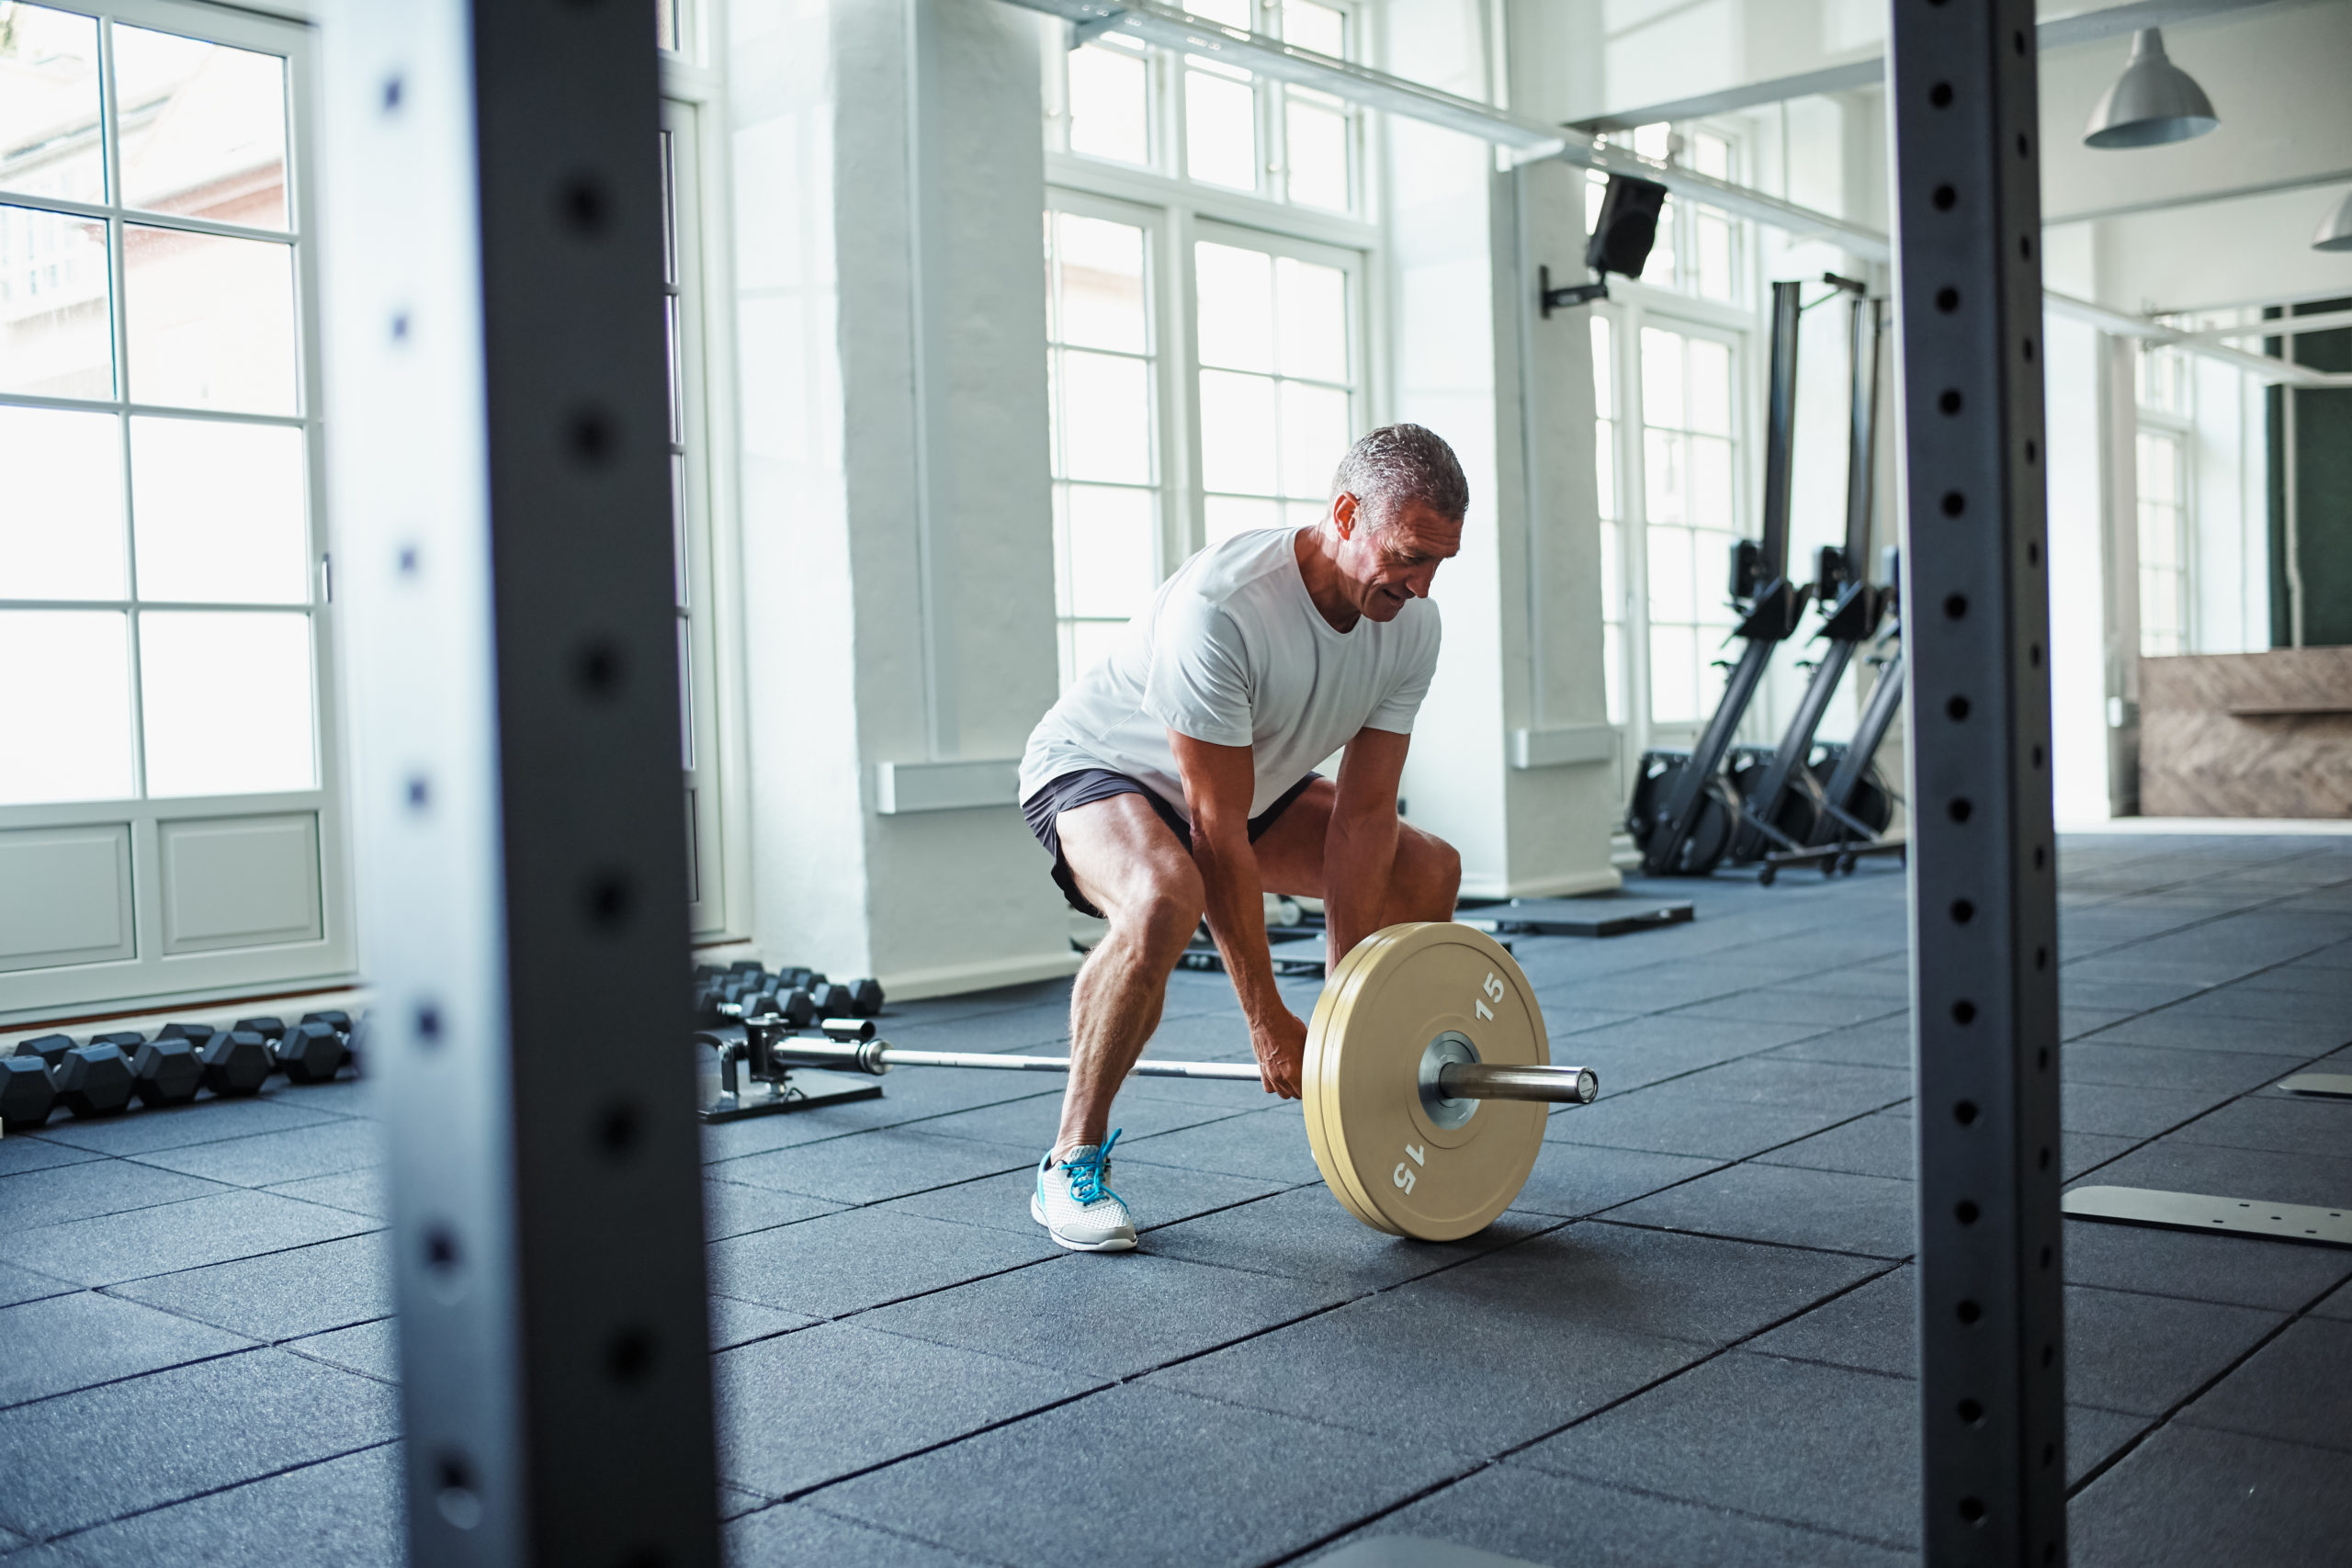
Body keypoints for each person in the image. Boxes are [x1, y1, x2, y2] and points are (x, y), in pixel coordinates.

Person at [1015, 423, 1469, 1251]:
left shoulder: (1411, 624)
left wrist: (1343, 1007)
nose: (1423, 585)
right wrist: (1267, 1019)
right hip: (1099, 766)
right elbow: (1213, 829)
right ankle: (1069, 1162)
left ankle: (1383, 1089)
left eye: (1440, 562)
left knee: (1427, 867)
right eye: (1409, 555)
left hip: (1248, 777)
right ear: (1344, 513)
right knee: (1162, 898)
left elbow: (1365, 818)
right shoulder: (1223, 606)